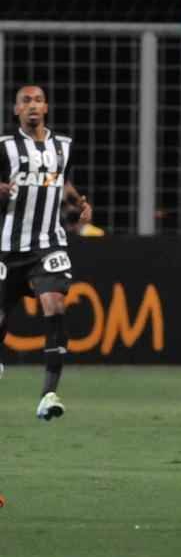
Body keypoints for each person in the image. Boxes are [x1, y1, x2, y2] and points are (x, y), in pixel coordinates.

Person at [0, 85, 93, 419]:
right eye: (26, 101)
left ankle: (49, 395)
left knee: (55, 305)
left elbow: (62, 182)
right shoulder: (4, 147)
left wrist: (79, 203)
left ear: (46, 107)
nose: (32, 105)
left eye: (38, 100)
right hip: (7, 248)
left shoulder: (63, 146)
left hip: (48, 244)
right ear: (16, 110)